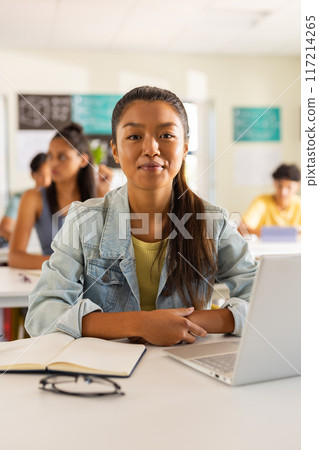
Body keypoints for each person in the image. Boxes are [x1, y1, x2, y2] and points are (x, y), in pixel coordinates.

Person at [25, 86, 257, 346]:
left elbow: (265, 302)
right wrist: (140, 323)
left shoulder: (212, 222)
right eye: (134, 136)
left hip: (188, 369)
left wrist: (193, 323)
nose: (151, 148)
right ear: (115, 150)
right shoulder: (84, 221)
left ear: (184, 148)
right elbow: (42, 315)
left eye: (166, 135)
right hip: (106, 372)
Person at [9, 123, 113, 270]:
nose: (53, 163)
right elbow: (15, 257)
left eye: (62, 157)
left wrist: (103, 198)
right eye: (50, 156)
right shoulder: (33, 197)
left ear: (83, 160)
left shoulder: (99, 196)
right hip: (51, 284)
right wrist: (64, 263)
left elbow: (109, 253)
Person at [0, 153, 51, 244]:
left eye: (50, 175)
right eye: (41, 175)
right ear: (32, 175)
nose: (46, 181)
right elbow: (4, 229)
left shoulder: (60, 198)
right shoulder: (19, 198)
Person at [239, 163, 301, 237]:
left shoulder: (301, 204)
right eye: (280, 186)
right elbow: (241, 229)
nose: (283, 192)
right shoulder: (261, 201)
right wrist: (281, 234)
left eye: (289, 187)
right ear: (274, 183)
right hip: (265, 248)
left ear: (297, 186)